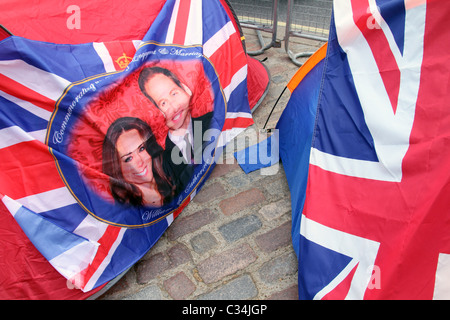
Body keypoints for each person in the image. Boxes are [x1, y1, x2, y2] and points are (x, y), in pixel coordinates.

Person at [138, 66, 213, 191]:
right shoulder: (161, 164)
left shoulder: (212, 120)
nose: (174, 106)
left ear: (185, 89)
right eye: (163, 103)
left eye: (174, 93)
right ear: (155, 112)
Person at [102, 117, 175, 207]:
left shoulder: (172, 176)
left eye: (141, 149)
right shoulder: (126, 212)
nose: (140, 161)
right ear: (117, 168)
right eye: (128, 158)